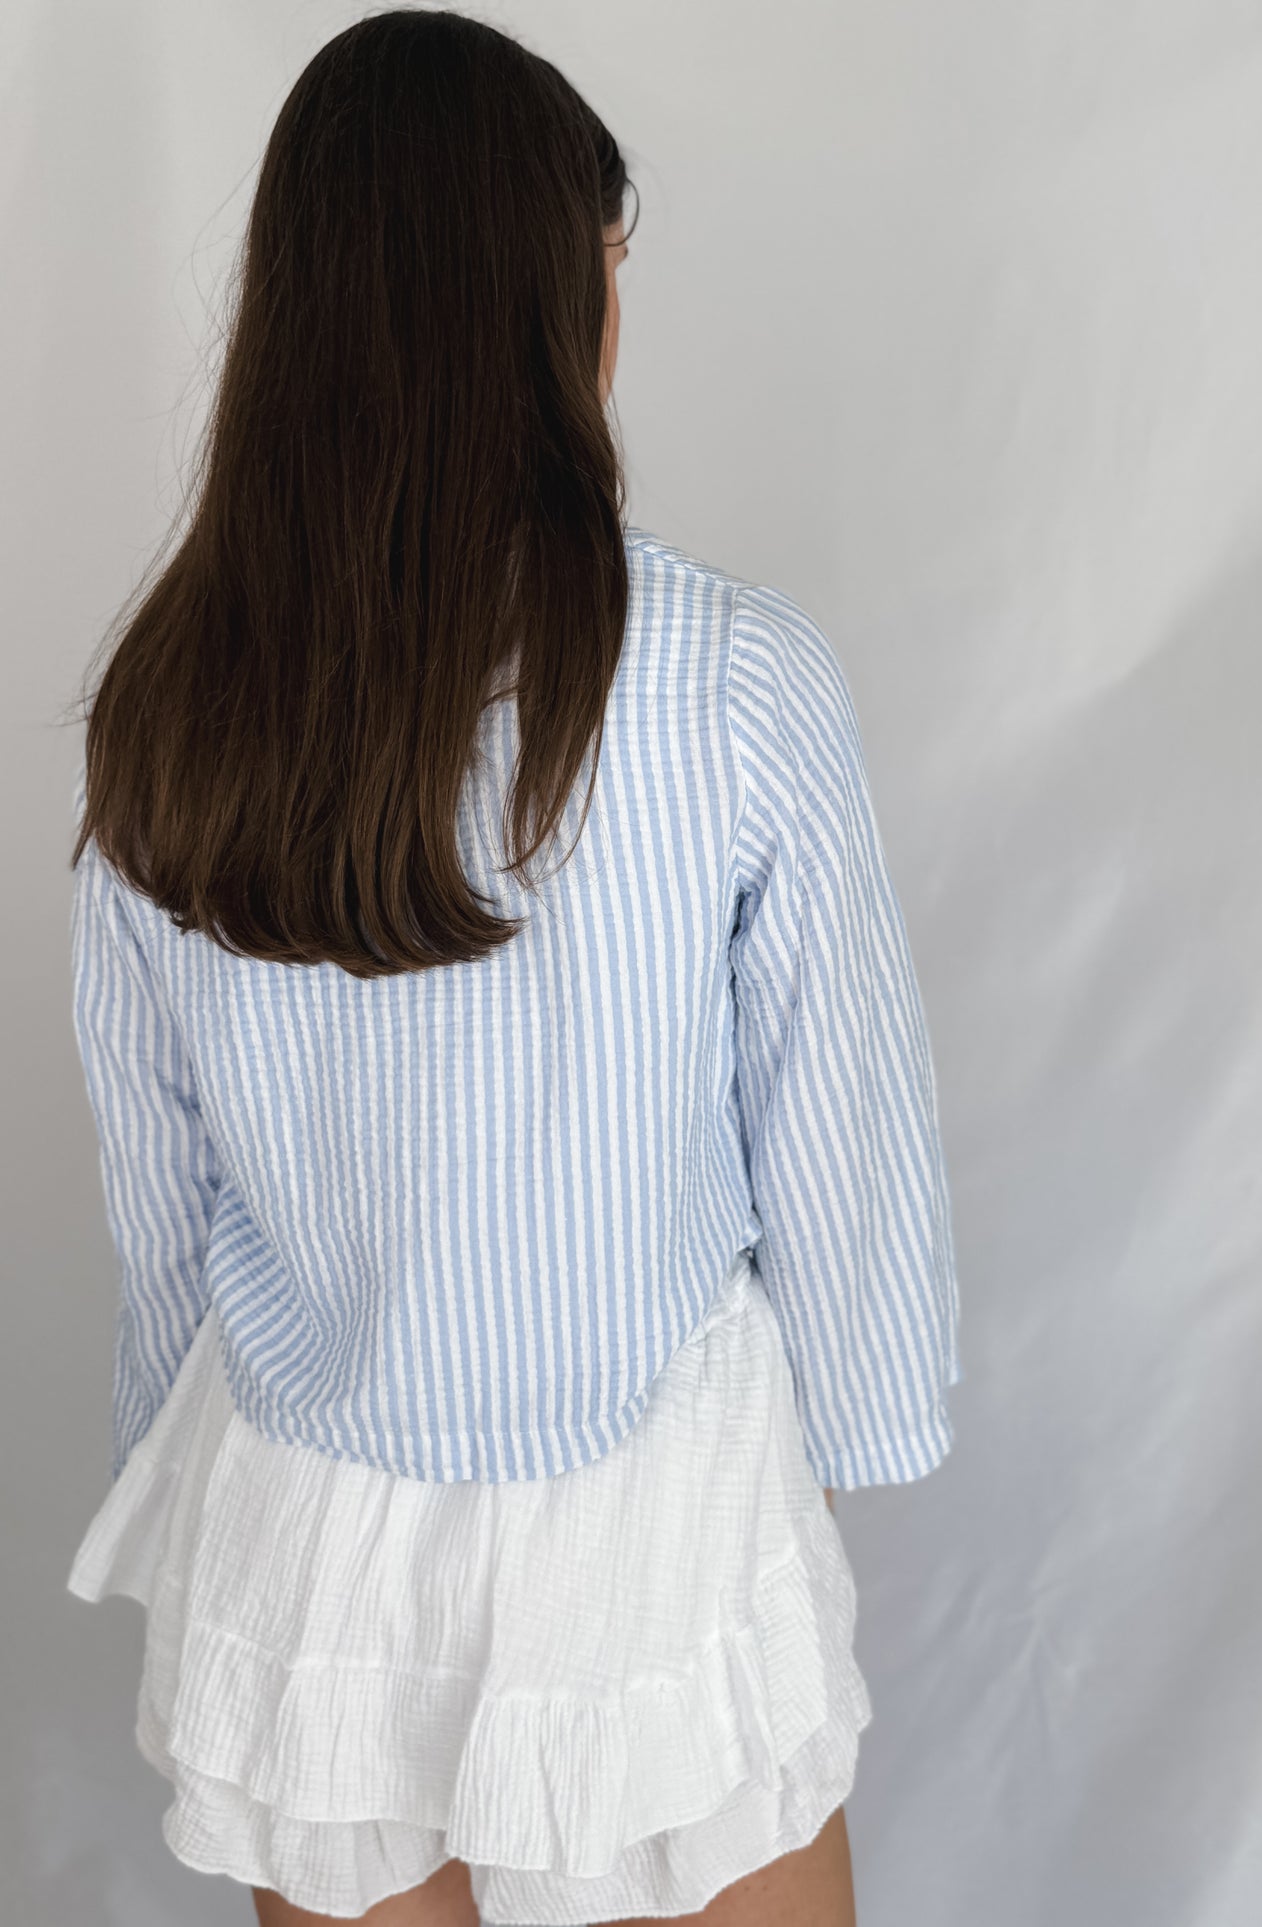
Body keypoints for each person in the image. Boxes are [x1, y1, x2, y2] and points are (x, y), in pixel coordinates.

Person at [61, 11, 962, 1924]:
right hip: (649, 1497)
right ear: (555, 300)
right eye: (606, 265)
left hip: (308, 1514)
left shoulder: (169, 704)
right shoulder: (728, 684)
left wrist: (168, 1447)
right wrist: (851, 1422)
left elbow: (163, 1186)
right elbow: (840, 1128)